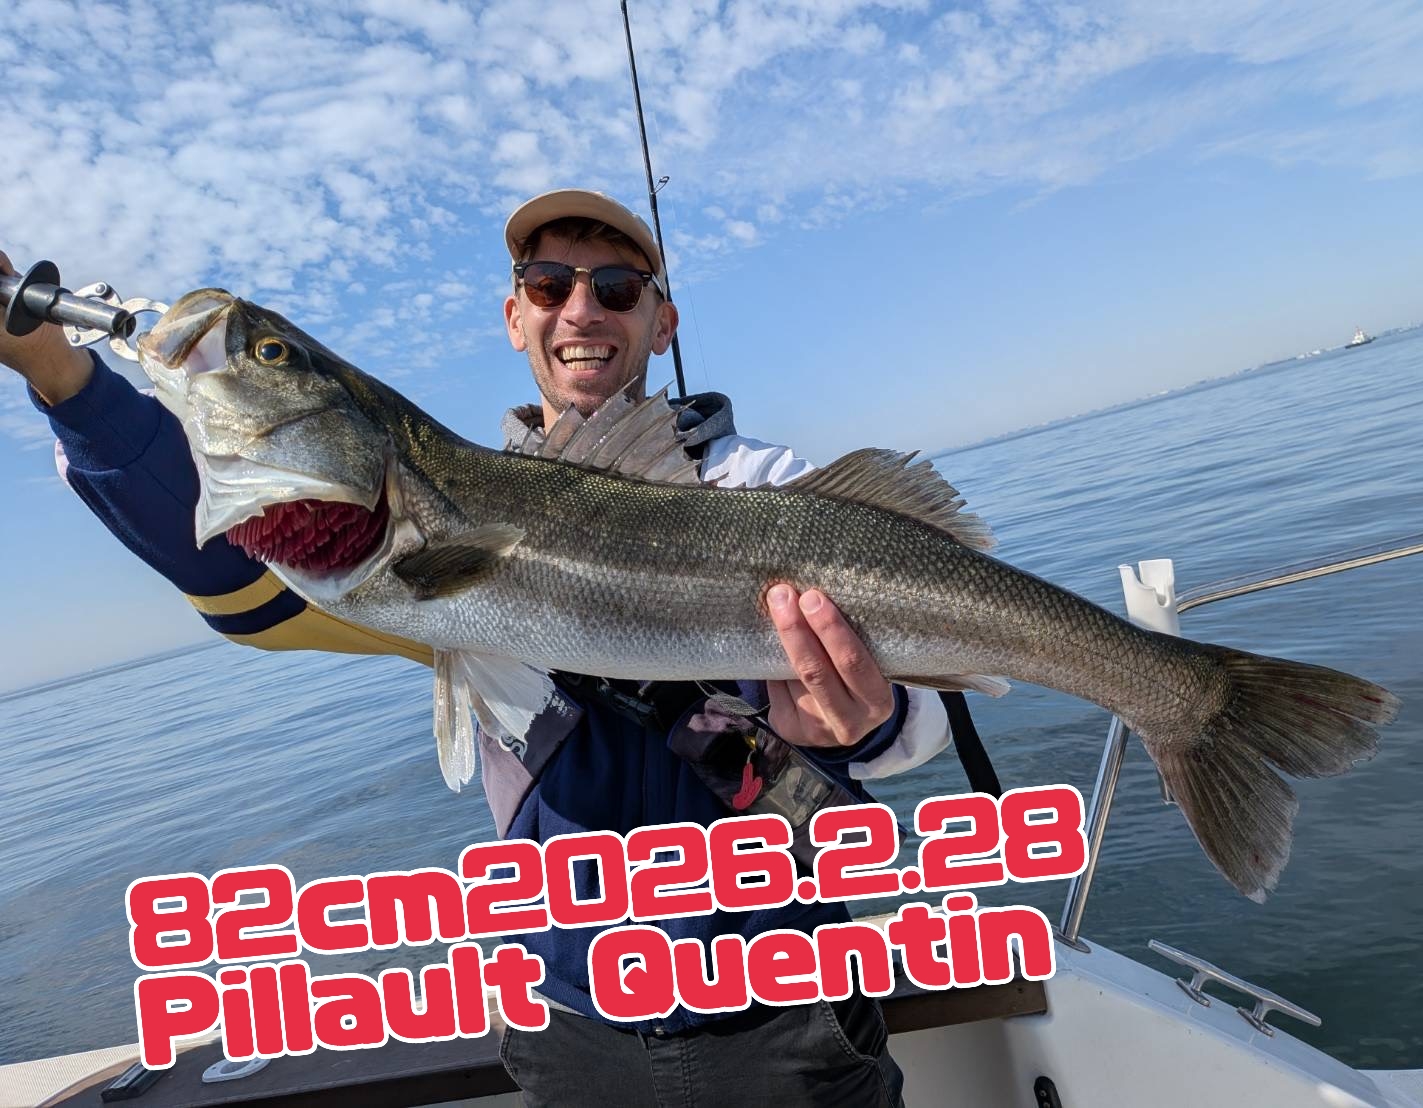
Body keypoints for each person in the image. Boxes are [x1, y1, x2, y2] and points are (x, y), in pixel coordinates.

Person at [0, 189, 966, 1106]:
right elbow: (226, 569)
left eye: (616, 288)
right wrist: (61, 375)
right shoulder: (415, 529)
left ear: (661, 323)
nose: (581, 309)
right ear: (515, 317)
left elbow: (922, 712)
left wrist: (869, 723)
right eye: (549, 285)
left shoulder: (768, 488)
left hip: (790, 1001)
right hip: (572, 1024)